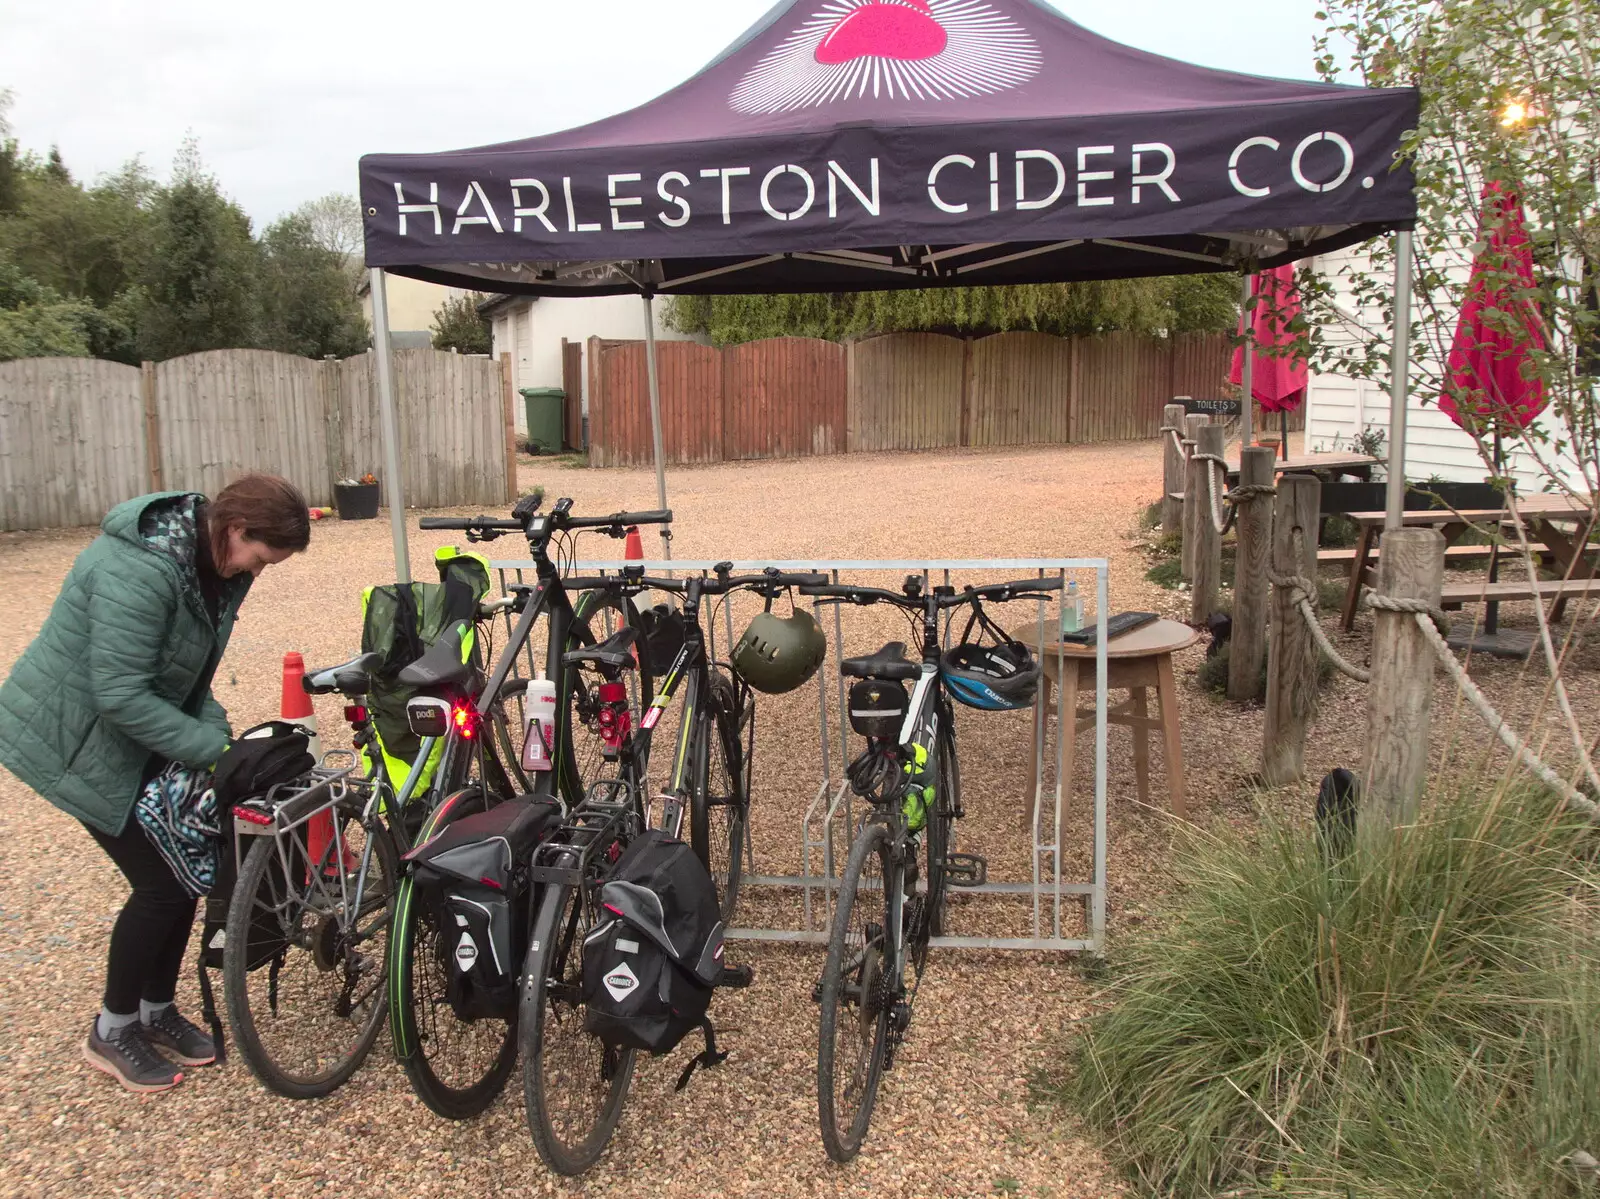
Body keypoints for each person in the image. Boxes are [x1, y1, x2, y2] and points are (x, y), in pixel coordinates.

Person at [0, 475, 311, 1092]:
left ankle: (154, 1011)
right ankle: (113, 1031)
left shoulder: (217, 567)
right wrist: (217, 752)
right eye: (261, 556)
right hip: (70, 738)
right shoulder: (140, 570)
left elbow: (189, 680)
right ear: (236, 530)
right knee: (163, 885)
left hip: (129, 730)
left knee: (187, 873)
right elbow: (119, 693)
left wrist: (225, 738)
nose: (261, 570)